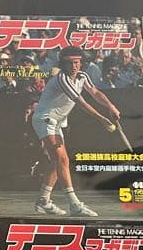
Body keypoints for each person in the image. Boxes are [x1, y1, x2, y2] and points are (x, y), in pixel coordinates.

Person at [31, 46, 121, 217]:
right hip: (45, 119)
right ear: (63, 64)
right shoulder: (62, 79)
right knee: (62, 160)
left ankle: (43, 200)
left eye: (77, 62)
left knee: (56, 162)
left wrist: (111, 106)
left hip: (57, 122)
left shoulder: (83, 76)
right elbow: (81, 102)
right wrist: (102, 119)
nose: (74, 66)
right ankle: (74, 204)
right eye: (70, 63)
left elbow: (95, 92)